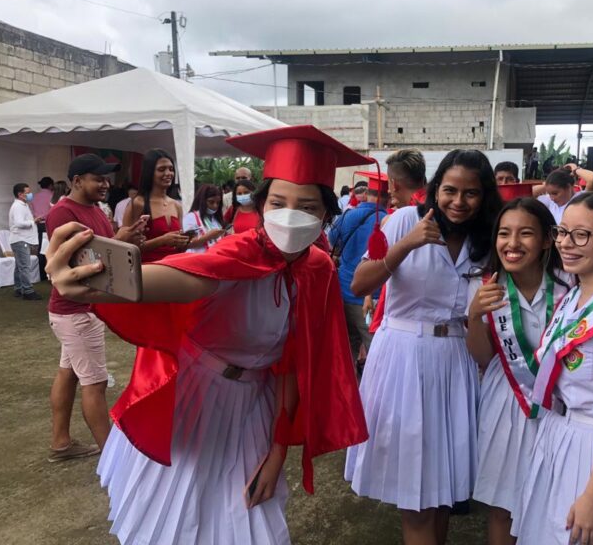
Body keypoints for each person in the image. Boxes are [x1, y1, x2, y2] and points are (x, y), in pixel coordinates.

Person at [45, 125, 369, 545]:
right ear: (261, 204)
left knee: (248, 527)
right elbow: (185, 279)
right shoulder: (239, 252)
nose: (290, 216)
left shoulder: (318, 269)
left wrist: (276, 454)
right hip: (194, 405)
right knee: (174, 522)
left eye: (307, 207)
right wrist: (97, 281)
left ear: (327, 214)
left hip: (255, 410)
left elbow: (296, 363)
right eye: (278, 202)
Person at [345, 149, 502, 545]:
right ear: (435, 188)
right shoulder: (404, 220)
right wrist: (407, 244)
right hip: (404, 359)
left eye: (471, 193)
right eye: (450, 190)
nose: (458, 201)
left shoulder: (484, 242)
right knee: (416, 492)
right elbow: (360, 283)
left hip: (456, 360)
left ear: (484, 197)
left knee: (444, 487)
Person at [512, 191, 593, 545]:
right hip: (561, 435)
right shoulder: (574, 296)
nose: (566, 244)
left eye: (581, 235)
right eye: (561, 232)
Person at [466, 197, 572, 545]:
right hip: (507, 400)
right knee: (503, 504)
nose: (512, 244)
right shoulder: (486, 286)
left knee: (555, 501)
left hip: (557, 405)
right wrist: (473, 317)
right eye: (504, 234)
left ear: (546, 240)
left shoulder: (569, 288)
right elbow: (482, 357)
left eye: (525, 233)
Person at [45, 154, 147, 463]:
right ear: (77, 182)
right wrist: (119, 239)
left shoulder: (96, 210)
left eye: (107, 179)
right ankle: (112, 458)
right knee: (95, 382)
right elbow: (84, 265)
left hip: (83, 308)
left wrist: (127, 240)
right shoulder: (63, 214)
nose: (106, 184)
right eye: (98, 178)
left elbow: (105, 253)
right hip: (75, 309)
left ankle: (61, 442)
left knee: (70, 374)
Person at [328, 171, 389, 371]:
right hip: (371, 299)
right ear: (388, 197)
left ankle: (346, 399)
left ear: (368, 194)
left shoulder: (347, 215)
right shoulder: (389, 221)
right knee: (377, 358)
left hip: (343, 292)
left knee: (345, 356)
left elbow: (332, 242)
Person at [365, 149, 428, 335]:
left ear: (393, 184)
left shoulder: (396, 218)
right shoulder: (443, 208)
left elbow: (367, 276)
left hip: (403, 323)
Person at [124, 148, 190, 263]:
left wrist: (186, 240)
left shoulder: (176, 205)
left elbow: (180, 247)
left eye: (171, 169)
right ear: (150, 172)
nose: (168, 173)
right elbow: (126, 246)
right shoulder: (138, 204)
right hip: (147, 270)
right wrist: (162, 240)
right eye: (161, 169)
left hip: (174, 267)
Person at [9, 183, 42, 300]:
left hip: (20, 239)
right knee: (25, 266)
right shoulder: (18, 206)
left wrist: (33, 221)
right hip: (20, 239)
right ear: (20, 194)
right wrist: (33, 221)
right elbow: (18, 223)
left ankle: (18, 289)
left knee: (20, 266)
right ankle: (27, 291)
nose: (30, 195)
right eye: (27, 193)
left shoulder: (22, 205)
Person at [182, 184, 226, 254]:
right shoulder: (190, 217)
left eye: (218, 203)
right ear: (202, 200)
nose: (215, 206)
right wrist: (208, 236)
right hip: (195, 259)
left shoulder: (216, 218)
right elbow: (187, 244)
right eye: (211, 202)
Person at [32, 176, 54, 280]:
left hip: (38, 224)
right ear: (50, 185)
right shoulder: (52, 196)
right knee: (51, 248)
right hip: (48, 224)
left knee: (41, 249)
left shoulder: (35, 196)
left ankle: (41, 273)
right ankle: (49, 272)